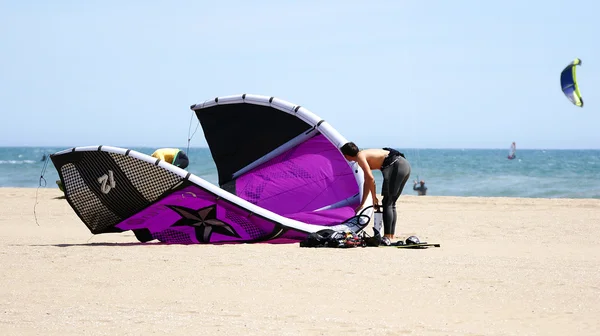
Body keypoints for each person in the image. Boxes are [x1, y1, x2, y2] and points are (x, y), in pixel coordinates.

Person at [340, 142, 411, 241]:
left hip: (396, 165)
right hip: (404, 165)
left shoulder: (360, 157)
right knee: (390, 202)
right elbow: (367, 182)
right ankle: (390, 236)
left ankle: (387, 237)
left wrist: (374, 198)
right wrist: (363, 203)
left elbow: (371, 179)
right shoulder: (362, 154)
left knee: (388, 203)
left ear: (347, 155)